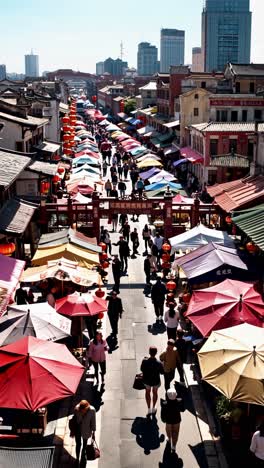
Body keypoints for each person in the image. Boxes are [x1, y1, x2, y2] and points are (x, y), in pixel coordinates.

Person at [140, 346, 164, 416]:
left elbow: (141, 369)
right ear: (156, 353)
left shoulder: (144, 361)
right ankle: (153, 407)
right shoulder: (159, 363)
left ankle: (148, 409)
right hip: (156, 381)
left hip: (147, 381)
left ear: (149, 352)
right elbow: (162, 372)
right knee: (155, 393)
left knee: (147, 392)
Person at [74, 400, 96, 464]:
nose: (81, 411)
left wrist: (93, 433)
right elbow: (74, 419)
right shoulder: (76, 409)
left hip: (86, 430)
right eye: (80, 409)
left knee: (84, 445)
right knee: (78, 444)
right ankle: (77, 458)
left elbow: (93, 422)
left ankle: (83, 456)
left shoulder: (92, 410)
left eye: (82, 410)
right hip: (78, 430)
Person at [162, 388, 182, 454]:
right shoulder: (179, 401)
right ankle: (174, 446)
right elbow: (183, 409)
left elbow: (163, 413)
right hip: (177, 419)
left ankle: (169, 439)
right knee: (176, 432)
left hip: (168, 419)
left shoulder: (165, 403)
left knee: (168, 430)